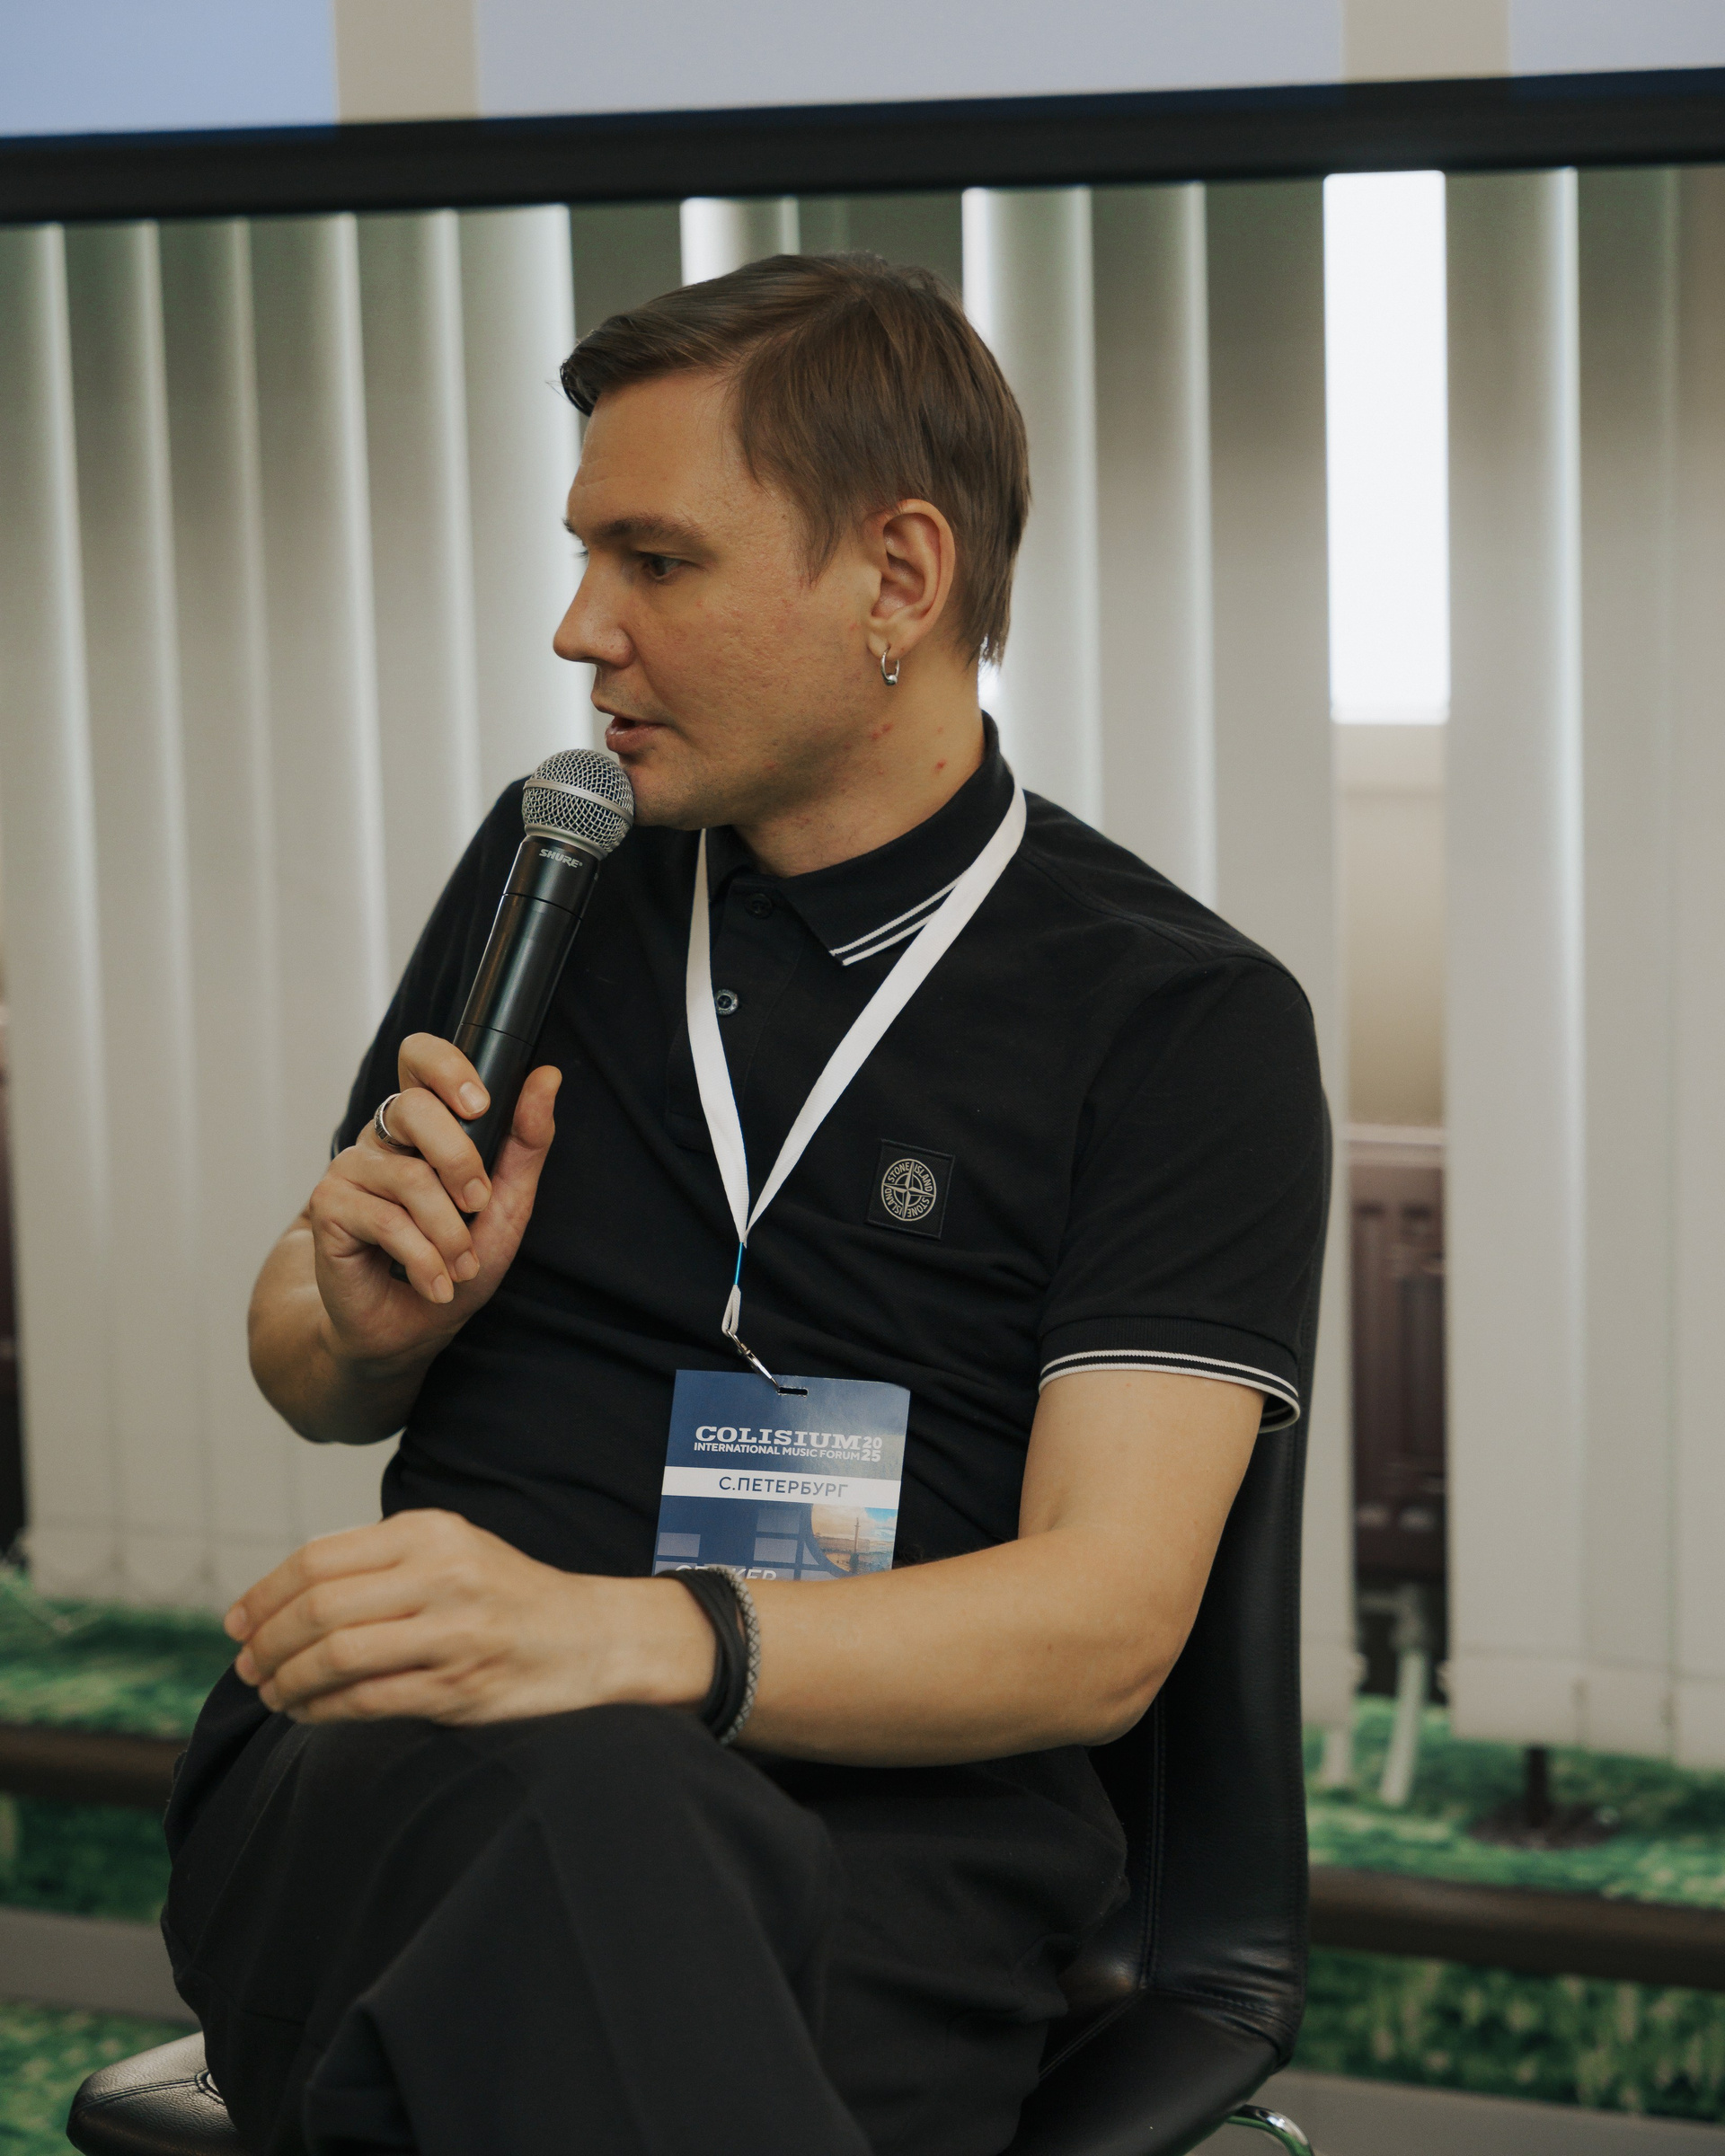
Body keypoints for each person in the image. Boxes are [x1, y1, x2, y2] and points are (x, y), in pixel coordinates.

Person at [163, 252, 1326, 2156]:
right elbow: (308, 1366)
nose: (579, 629)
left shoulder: (1177, 1021)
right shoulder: (554, 872)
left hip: (889, 1856)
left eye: (657, 561)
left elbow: (1104, 1621)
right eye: (584, 555)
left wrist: (624, 1637)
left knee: (600, 1893)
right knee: (578, 1820)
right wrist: (362, 1325)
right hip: (403, 1769)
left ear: (899, 579)